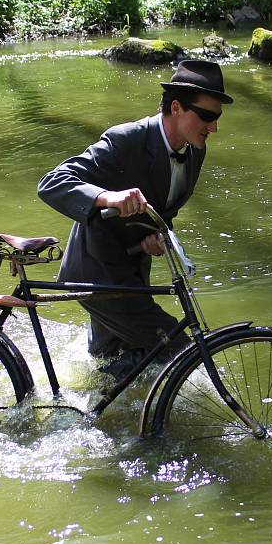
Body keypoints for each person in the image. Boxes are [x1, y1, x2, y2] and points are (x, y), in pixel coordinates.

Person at [37, 59, 233, 375]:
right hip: (96, 274)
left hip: (132, 271)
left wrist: (154, 237)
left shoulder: (196, 149)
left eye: (217, 118)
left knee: (111, 364)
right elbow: (52, 183)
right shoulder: (125, 139)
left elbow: (163, 208)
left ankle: (92, 417)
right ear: (176, 108)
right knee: (176, 349)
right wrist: (107, 197)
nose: (214, 127)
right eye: (207, 117)